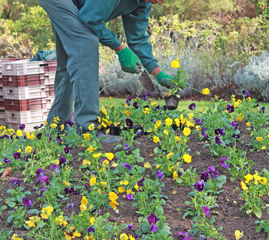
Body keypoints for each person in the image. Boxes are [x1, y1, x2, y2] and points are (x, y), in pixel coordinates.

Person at [38, 0, 174, 141]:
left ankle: (56, 127)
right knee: (86, 41)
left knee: (70, 57)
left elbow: (138, 40)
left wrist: (159, 74)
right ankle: (87, 129)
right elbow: (90, 19)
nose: (161, 2)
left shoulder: (143, 3)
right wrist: (120, 49)